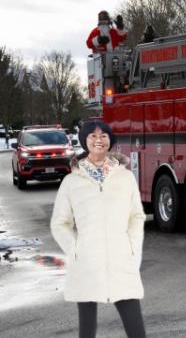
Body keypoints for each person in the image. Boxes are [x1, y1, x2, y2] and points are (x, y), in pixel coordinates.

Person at [50, 119, 147, 338]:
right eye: (92, 135)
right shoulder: (71, 181)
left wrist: (133, 248)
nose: (98, 140)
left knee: (136, 329)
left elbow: (136, 216)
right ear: (84, 141)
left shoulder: (126, 177)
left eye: (103, 135)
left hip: (121, 259)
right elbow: (59, 223)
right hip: (86, 262)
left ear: (110, 141)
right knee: (87, 331)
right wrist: (75, 249)